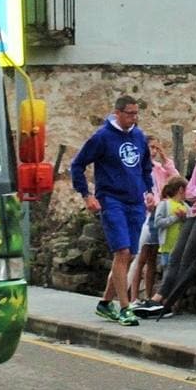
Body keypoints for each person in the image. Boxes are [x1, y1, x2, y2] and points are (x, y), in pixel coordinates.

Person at [70, 94, 156, 327]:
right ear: (117, 113)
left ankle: (106, 302)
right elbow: (77, 165)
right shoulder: (102, 137)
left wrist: (149, 191)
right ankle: (125, 307)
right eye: (130, 113)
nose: (134, 118)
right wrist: (86, 195)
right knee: (122, 251)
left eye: (137, 113)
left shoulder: (138, 136)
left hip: (135, 201)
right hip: (111, 200)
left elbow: (145, 167)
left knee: (131, 254)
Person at [134, 121, 196, 320]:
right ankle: (159, 297)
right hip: (195, 211)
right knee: (177, 254)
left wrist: (194, 193)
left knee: (188, 256)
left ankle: (166, 300)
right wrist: (194, 193)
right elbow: (190, 191)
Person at [127, 135, 179, 302]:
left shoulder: (158, 168)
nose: (154, 151)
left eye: (156, 148)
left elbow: (175, 178)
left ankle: (148, 296)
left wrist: (165, 158)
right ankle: (134, 297)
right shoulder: (137, 169)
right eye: (151, 147)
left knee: (151, 260)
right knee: (140, 258)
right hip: (145, 215)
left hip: (157, 215)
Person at [152, 175, 189, 274]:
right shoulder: (164, 205)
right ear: (181, 189)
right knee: (168, 272)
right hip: (167, 248)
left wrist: (184, 218)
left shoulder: (186, 206)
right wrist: (176, 218)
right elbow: (158, 222)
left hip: (181, 246)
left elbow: (189, 222)